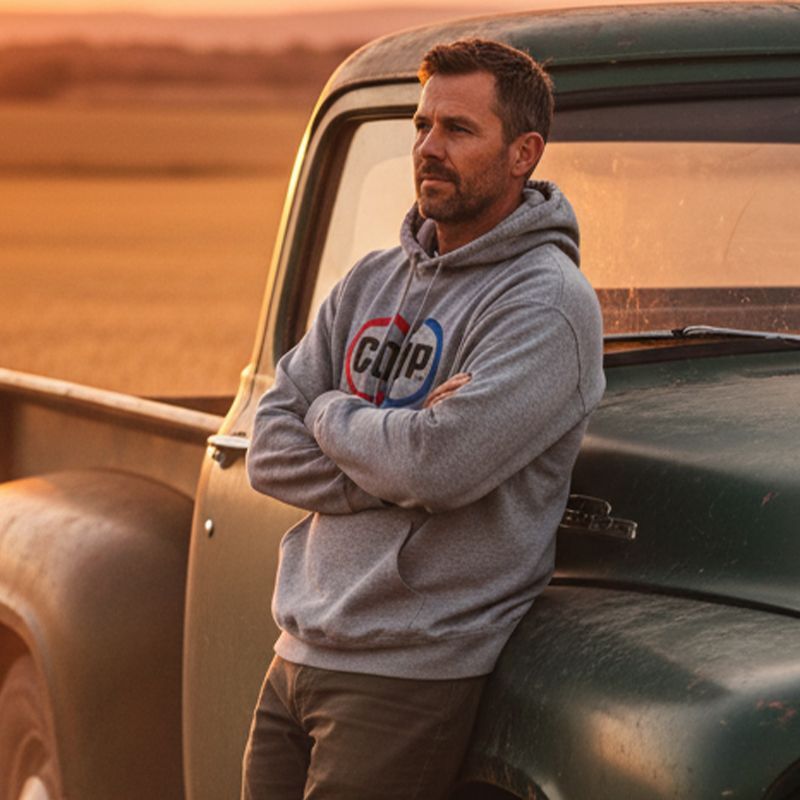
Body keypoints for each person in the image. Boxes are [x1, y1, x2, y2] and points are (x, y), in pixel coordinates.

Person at [242, 38, 605, 800]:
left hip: (408, 672)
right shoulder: (368, 280)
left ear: (523, 153)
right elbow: (269, 446)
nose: (428, 148)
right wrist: (397, 459)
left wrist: (335, 413)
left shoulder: (546, 304)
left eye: (459, 130)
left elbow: (439, 465)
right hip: (297, 652)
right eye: (421, 124)